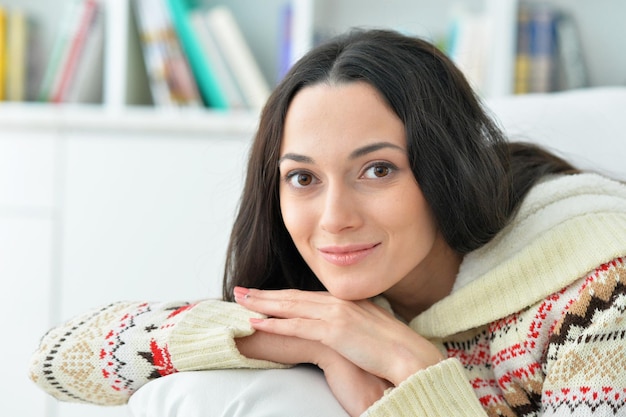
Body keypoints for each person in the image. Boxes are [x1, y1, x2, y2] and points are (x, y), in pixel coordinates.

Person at [29, 29, 626, 417]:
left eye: (377, 170)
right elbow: (57, 360)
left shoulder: (599, 290)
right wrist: (313, 339)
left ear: (443, 168)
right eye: (304, 178)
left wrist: (413, 369)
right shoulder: (338, 304)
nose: (334, 219)